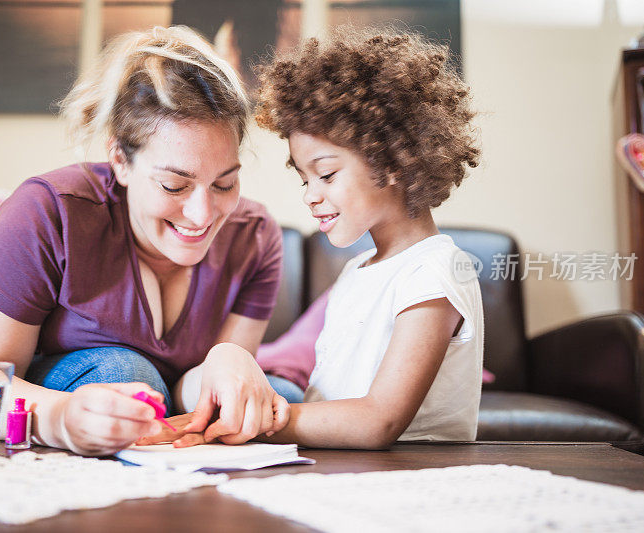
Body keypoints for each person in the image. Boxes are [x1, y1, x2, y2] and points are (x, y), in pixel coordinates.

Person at [0, 26, 295, 456]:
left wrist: (228, 362)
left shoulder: (254, 236)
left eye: (224, 184)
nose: (203, 215)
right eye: (173, 185)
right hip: (40, 398)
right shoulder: (49, 212)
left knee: (279, 399)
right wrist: (60, 420)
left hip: (164, 404)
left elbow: (194, 394)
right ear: (120, 161)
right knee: (125, 373)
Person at [161, 29, 484, 449]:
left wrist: (260, 421)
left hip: (410, 475)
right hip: (341, 466)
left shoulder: (433, 272)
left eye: (326, 174)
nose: (310, 196)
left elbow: (377, 422)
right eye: (304, 178)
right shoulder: (356, 270)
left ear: (393, 161)